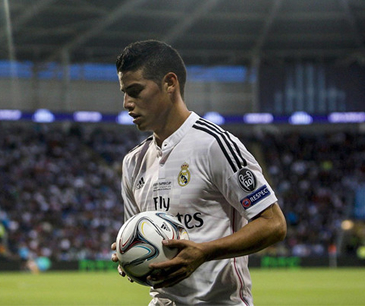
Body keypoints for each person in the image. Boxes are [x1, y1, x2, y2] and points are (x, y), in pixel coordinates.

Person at [111, 40, 287, 306]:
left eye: (135, 91)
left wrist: (204, 252)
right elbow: (144, 237)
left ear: (170, 83)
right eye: (124, 93)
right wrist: (129, 255)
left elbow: (273, 224)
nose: (126, 103)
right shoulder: (133, 162)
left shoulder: (215, 145)